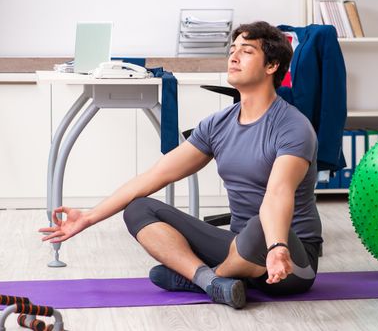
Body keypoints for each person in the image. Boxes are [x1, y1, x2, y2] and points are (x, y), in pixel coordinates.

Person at [40, 21, 323, 309]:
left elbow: (277, 195)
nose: (234, 57)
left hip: (288, 256)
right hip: (237, 244)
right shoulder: (218, 124)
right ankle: (212, 282)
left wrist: (277, 247)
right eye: (232, 50)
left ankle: (203, 277)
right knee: (139, 207)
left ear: (272, 65)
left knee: (259, 227)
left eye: (247, 51)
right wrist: (88, 218)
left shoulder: (292, 126)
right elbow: (155, 175)